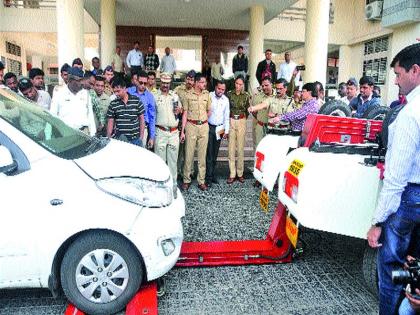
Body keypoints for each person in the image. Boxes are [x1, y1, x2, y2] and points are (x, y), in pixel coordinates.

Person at [366, 42, 420, 315]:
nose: (396, 81)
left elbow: (396, 178)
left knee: (391, 269)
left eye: (398, 74)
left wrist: (377, 222)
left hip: (410, 198)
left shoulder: (411, 114)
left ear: (415, 71)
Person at [180, 73, 211, 191]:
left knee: (202, 156)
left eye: (205, 82)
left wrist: (203, 121)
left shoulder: (207, 95)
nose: (204, 84)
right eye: (202, 82)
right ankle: (186, 180)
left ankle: (201, 181)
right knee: (189, 154)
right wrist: (183, 131)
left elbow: (209, 111)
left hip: (203, 126)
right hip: (191, 125)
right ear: (197, 83)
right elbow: (185, 113)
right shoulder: (188, 95)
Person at [154, 72, 182, 186]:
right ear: (160, 82)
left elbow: (180, 110)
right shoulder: (155, 96)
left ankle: (172, 185)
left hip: (174, 132)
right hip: (160, 131)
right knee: (160, 162)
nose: (165, 85)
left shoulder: (174, 96)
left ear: (170, 83)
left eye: (168, 83)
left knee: (173, 162)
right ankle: (161, 185)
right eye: (163, 83)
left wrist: (179, 110)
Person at [50, 67, 96, 136]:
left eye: (82, 80)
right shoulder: (59, 94)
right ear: (70, 80)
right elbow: (52, 116)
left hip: (84, 133)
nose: (82, 83)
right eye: (79, 80)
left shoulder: (86, 94)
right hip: (65, 134)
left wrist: (93, 134)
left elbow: (90, 115)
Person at [106, 76, 145, 146]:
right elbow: (110, 122)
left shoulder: (136, 100)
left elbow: (142, 119)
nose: (116, 94)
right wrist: (108, 137)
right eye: (114, 92)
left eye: (118, 91)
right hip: (120, 140)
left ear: (125, 89)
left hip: (135, 140)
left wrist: (141, 137)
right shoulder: (113, 104)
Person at [226, 76, 250, 184]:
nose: (238, 86)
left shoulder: (246, 96)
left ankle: (240, 173)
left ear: (243, 85)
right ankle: (232, 173)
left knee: (240, 149)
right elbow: (226, 108)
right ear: (234, 83)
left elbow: (247, 109)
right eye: (236, 83)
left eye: (240, 84)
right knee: (231, 149)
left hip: (241, 120)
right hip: (231, 120)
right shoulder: (229, 94)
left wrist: (242, 119)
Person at [205, 80, 229, 187]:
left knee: (215, 153)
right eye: (219, 88)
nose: (220, 91)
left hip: (220, 128)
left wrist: (226, 131)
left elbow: (226, 116)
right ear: (215, 87)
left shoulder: (226, 100)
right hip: (210, 127)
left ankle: (213, 174)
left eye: (223, 89)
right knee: (209, 154)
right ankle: (208, 178)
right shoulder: (209, 95)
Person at [175, 69, 196, 177]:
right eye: (188, 79)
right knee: (179, 149)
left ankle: (190, 172)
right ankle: (177, 171)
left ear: (194, 81)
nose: (189, 81)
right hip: (179, 123)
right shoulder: (178, 89)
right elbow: (173, 101)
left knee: (190, 149)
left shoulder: (196, 91)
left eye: (191, 80)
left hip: (191, 123)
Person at [127, 70, 156, 149]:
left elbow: (152, 118)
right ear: (136, 81)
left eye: (145, 83)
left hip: (143, 130)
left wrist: (152, 137)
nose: (143, 85)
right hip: (128, 128)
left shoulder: (150, 96)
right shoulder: (128, 91)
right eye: (141, 82)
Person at [251, 76, 275, 147]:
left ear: (272, 84)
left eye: (266, 85)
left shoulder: (277, 96)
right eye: (262, 86)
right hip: (260, 127)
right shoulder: (257, 97)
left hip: (273, 128)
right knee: (258, 148)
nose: (264, 87)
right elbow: (254, 112)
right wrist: (260, 119)